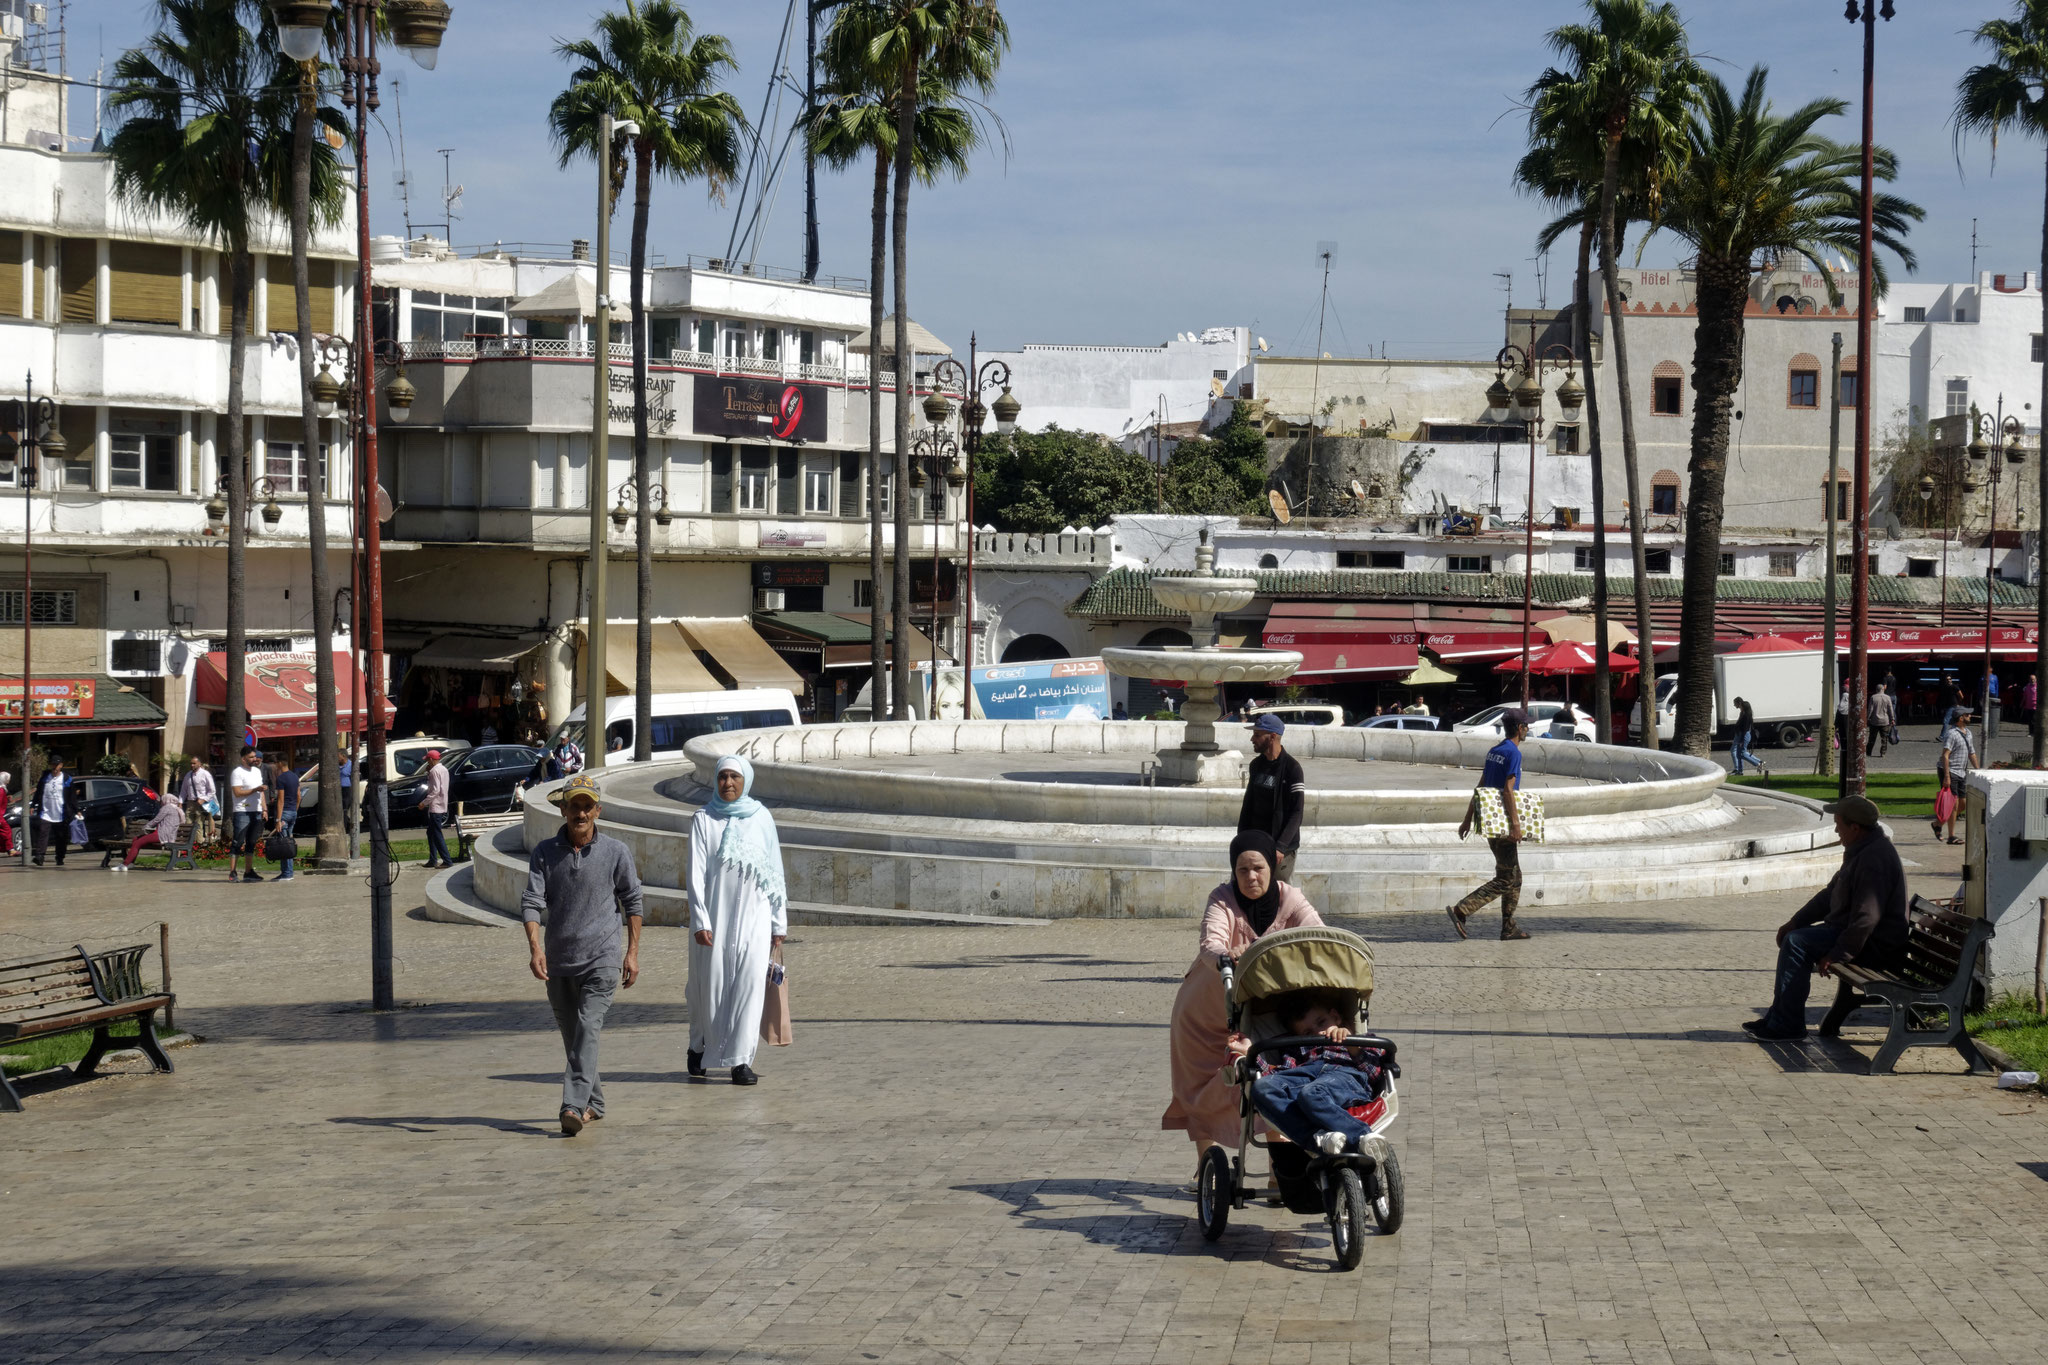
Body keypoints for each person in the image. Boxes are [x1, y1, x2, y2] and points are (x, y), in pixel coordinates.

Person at [1163, 829, 1324, 1163]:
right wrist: (1226, 954)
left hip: (1261, 1013)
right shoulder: (1222, 898)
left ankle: (1280, 1170)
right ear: (1233, 872)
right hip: (1204, 1011)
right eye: (1242, 870)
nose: (1251, 877)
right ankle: (1206, 1164)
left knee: (1273, 1077)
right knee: (1198, 1088)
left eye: (1258, 868)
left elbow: (1316, 935)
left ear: (1272, 867)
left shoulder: (1291, 899)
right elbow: (1211, 941)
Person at [521, 773, 644, 1135]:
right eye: (575, 806)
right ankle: (596, 1103)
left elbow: (633, 901)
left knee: (588, 1028)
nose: (581, 813)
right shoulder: (545, 853)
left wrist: (632, 953)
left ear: (598, 811)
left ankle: (572, 1106)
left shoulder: (615, 852)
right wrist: (535, 948)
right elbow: (531, 901)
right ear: (563, 809)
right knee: (576, 1038)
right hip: (559, 962)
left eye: (587, 807)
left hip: (603, 958)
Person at [1743, 795, 1907, 1041]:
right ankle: (1779, 1018)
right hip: (1852, 935)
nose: (1835, 830)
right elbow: (1830, 894)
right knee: (1795, 936)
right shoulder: (1861, 849)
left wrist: (1839, 954)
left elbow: (1866, 917)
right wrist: (1796, 921)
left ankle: (1787, 1025)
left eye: (1838, 824)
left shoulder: (1874, 858)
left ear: (1855, 828)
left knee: (1798, 943)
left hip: (1874, 946)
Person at [686, 755, 788, 1085]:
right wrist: (701, 920)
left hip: (754, 921)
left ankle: (740, 1061)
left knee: (749, 986)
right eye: (723, 777)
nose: (728, 783)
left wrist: (778, 924)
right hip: (714, 920)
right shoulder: (704, 819)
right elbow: (695, 874)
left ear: (746, 781)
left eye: (735, 777)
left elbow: (775, 872)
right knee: (708, 989)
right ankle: (700, 1046)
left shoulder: (762, 818)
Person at [1227, 990, 1391, 1161]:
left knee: (1311, 1093)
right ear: (1298, 1036)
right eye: (1307, 1033)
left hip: (1345, 1075)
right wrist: (1250, 1052)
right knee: (1261, 1087)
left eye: (1322, 1022)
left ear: (1335, 1016)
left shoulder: (1360, 1040)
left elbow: (1376, 1076)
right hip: (1305, 1075)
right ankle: (1318, 1139)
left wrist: (1353, 1047)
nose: (1318, 1033)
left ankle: (1360, 1135)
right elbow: (1276, 1077)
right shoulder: (1296, 1050)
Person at [1449, 710, 1531, 941]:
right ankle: (1462, 909)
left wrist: (1468, 818)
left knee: (1514, 875)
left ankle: (1508, 927)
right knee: (1507, 878)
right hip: (1503, 821)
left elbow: (1480, 787)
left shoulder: (1494, 751)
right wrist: (1516, 825)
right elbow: (1508, 791)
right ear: (1519, 728)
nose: (1528, 730)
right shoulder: (1513, 753)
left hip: (1489, 820)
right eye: (1526, 726)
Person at [1238, 714, 1306, 882]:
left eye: (1257, 735)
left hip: (1281, 850)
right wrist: (1241, 840)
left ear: (1273, 737)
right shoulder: (1256, 765)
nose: (1252, 739)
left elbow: (1297, 812)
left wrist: (1281, 847)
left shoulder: (1293, 769)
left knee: (1279, 897)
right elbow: (1248, 805)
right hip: (1256, 845)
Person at [113, 787, 186, 873]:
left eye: (162, 800)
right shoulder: (175, 809)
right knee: (136, 839)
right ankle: (130, 863)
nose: (161, 802)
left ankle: (125, 865)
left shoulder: (167, 808)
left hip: (162, 835)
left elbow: (156, 820)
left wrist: (145, 827)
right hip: (167, 834)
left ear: (166, 800)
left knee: (137, 843)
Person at [1934, 707, 1976, 845]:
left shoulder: (1968, 733)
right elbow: (1945, 756)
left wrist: (1979, 769)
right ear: (1960, 718)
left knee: (1963, 804)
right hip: (1950, 771)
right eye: (1967, 714)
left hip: (1961, 772)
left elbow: (1972, 753)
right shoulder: (1951, 734)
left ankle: (1938, 824)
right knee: (1954, 804)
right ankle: (1951, 836)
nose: (1970, 716)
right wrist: (1947, 776)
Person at [228, 747, 267, 882]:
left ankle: (248, 871)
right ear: (243, 758)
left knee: (251, 842)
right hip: (242, 810)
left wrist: (264, 808)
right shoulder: (237, 772)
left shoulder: (257, 771)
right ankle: (232, 872)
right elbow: (237, 792)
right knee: (238, 841)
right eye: (251, 757)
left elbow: (261, 792)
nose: (254, 759)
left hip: (256, 810)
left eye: (255, 756)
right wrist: (255, 789)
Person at [30, 755, 74, 867]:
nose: (55, 767)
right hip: (46, 812)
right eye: (53, 764)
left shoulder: (67, 779)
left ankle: (60, 857)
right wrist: (33, 804)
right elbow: (38, 792)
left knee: (61, 837)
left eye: (57, 764)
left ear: (61, 765)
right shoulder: (45, 778)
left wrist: (76, 810)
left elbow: (72, 797)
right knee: (42, 834)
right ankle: (39, 856)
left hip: (61, 813)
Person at [421, 749, 453, 870]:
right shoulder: (444, 769)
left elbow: (435, 790)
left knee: (436, 833)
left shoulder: (434, 771)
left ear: (431, 759)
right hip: (442, 803)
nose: (427, 763)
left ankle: (447, 860)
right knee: (431, 832)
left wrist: (424, 803)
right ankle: (433, 859)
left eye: (428, 760)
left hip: (435, 805)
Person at [270, 760, 301, 881]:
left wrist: (278, 819)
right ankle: (288, 871)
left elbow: (280, 800)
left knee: (284, 844)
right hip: (293, 812)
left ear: (280, 763)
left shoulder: (281, 778)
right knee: (289, 842)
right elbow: (299, 795)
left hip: (284, 813)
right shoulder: (294, 777)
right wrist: (295, 810)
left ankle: (287, 873)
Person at [177, 755, 217, 843]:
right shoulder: (188, 775)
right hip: (190, 803)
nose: (192, 765)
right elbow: (184, 790)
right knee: (188, 824)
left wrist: (204, 799)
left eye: (194, 763)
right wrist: (180, 802)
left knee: (198, 824)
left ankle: (198, 845)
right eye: (191, 763)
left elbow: (212, 790)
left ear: (199, 764)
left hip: (202, 803)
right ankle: (189, 844)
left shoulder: (205, 774)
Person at [1729, 697, 1765, 777]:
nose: (1736, 705)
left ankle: (1758, 763)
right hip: (1741, 735)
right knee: (1739, 754)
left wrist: (1741, 740)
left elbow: (1744, 729)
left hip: (1743, 736)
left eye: (1738, 704)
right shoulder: (1743, 714)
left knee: (1742, 754)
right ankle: (1740, 771)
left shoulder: (1746, 716)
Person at [1865, 681, 1897, 759]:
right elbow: (1890, 709)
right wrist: (1892, 718)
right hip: (1885, 721)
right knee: (1884, 739)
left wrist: (1867, 718)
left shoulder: (1873, 697)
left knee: (1872, 738)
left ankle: (1868, 752)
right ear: (1883, 689)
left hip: (1874, 721)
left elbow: (1870, 709)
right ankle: (1882, 753)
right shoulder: (1887, 697)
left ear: (1876, 690)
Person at [0, 771, 14, 858]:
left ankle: (8, 849)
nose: (9, 781)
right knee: (7, 830)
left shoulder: (2, 790)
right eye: (7, 779)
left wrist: (7, 798)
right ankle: (10, 849)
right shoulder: (1, 790)